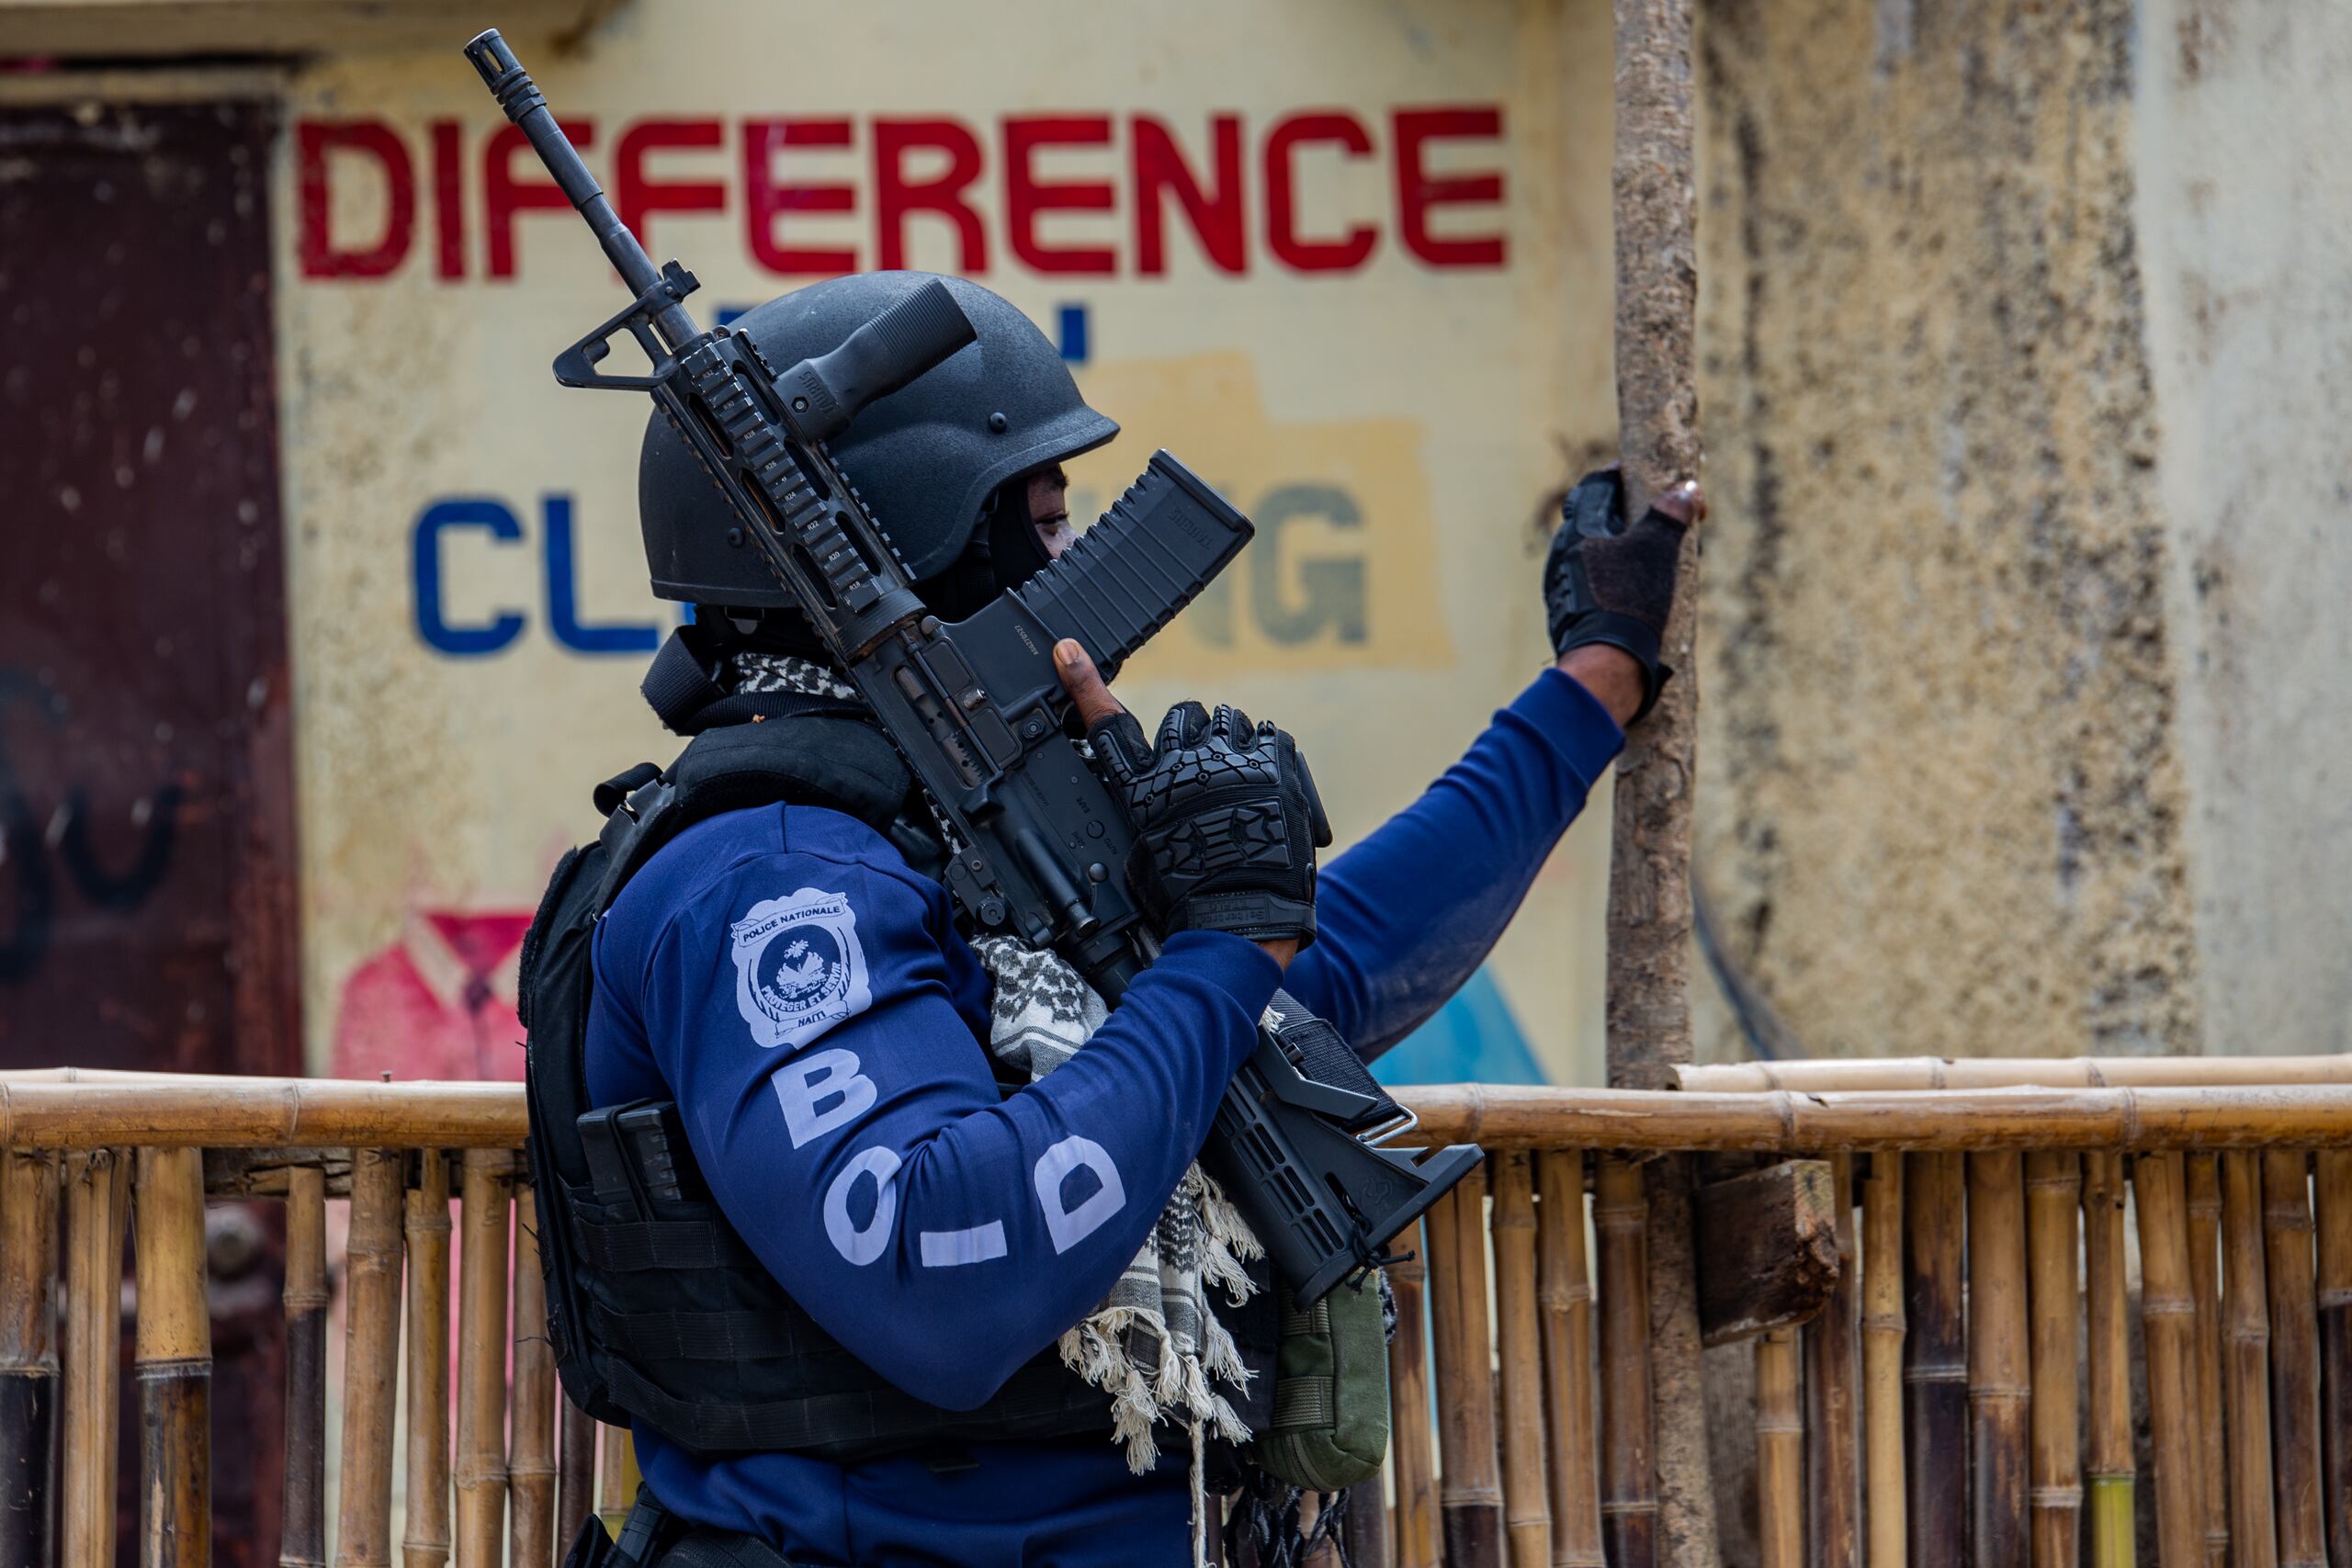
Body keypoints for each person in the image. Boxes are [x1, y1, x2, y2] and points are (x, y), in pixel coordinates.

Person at [548, 271, 1700, 1568]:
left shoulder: (949, 847)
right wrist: (1213, 955)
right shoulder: (773, 881)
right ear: (935, 550)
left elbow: (1312, 979)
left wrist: (1594, 680)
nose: (1069, 575)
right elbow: (942, 1272)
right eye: (1042, 531)